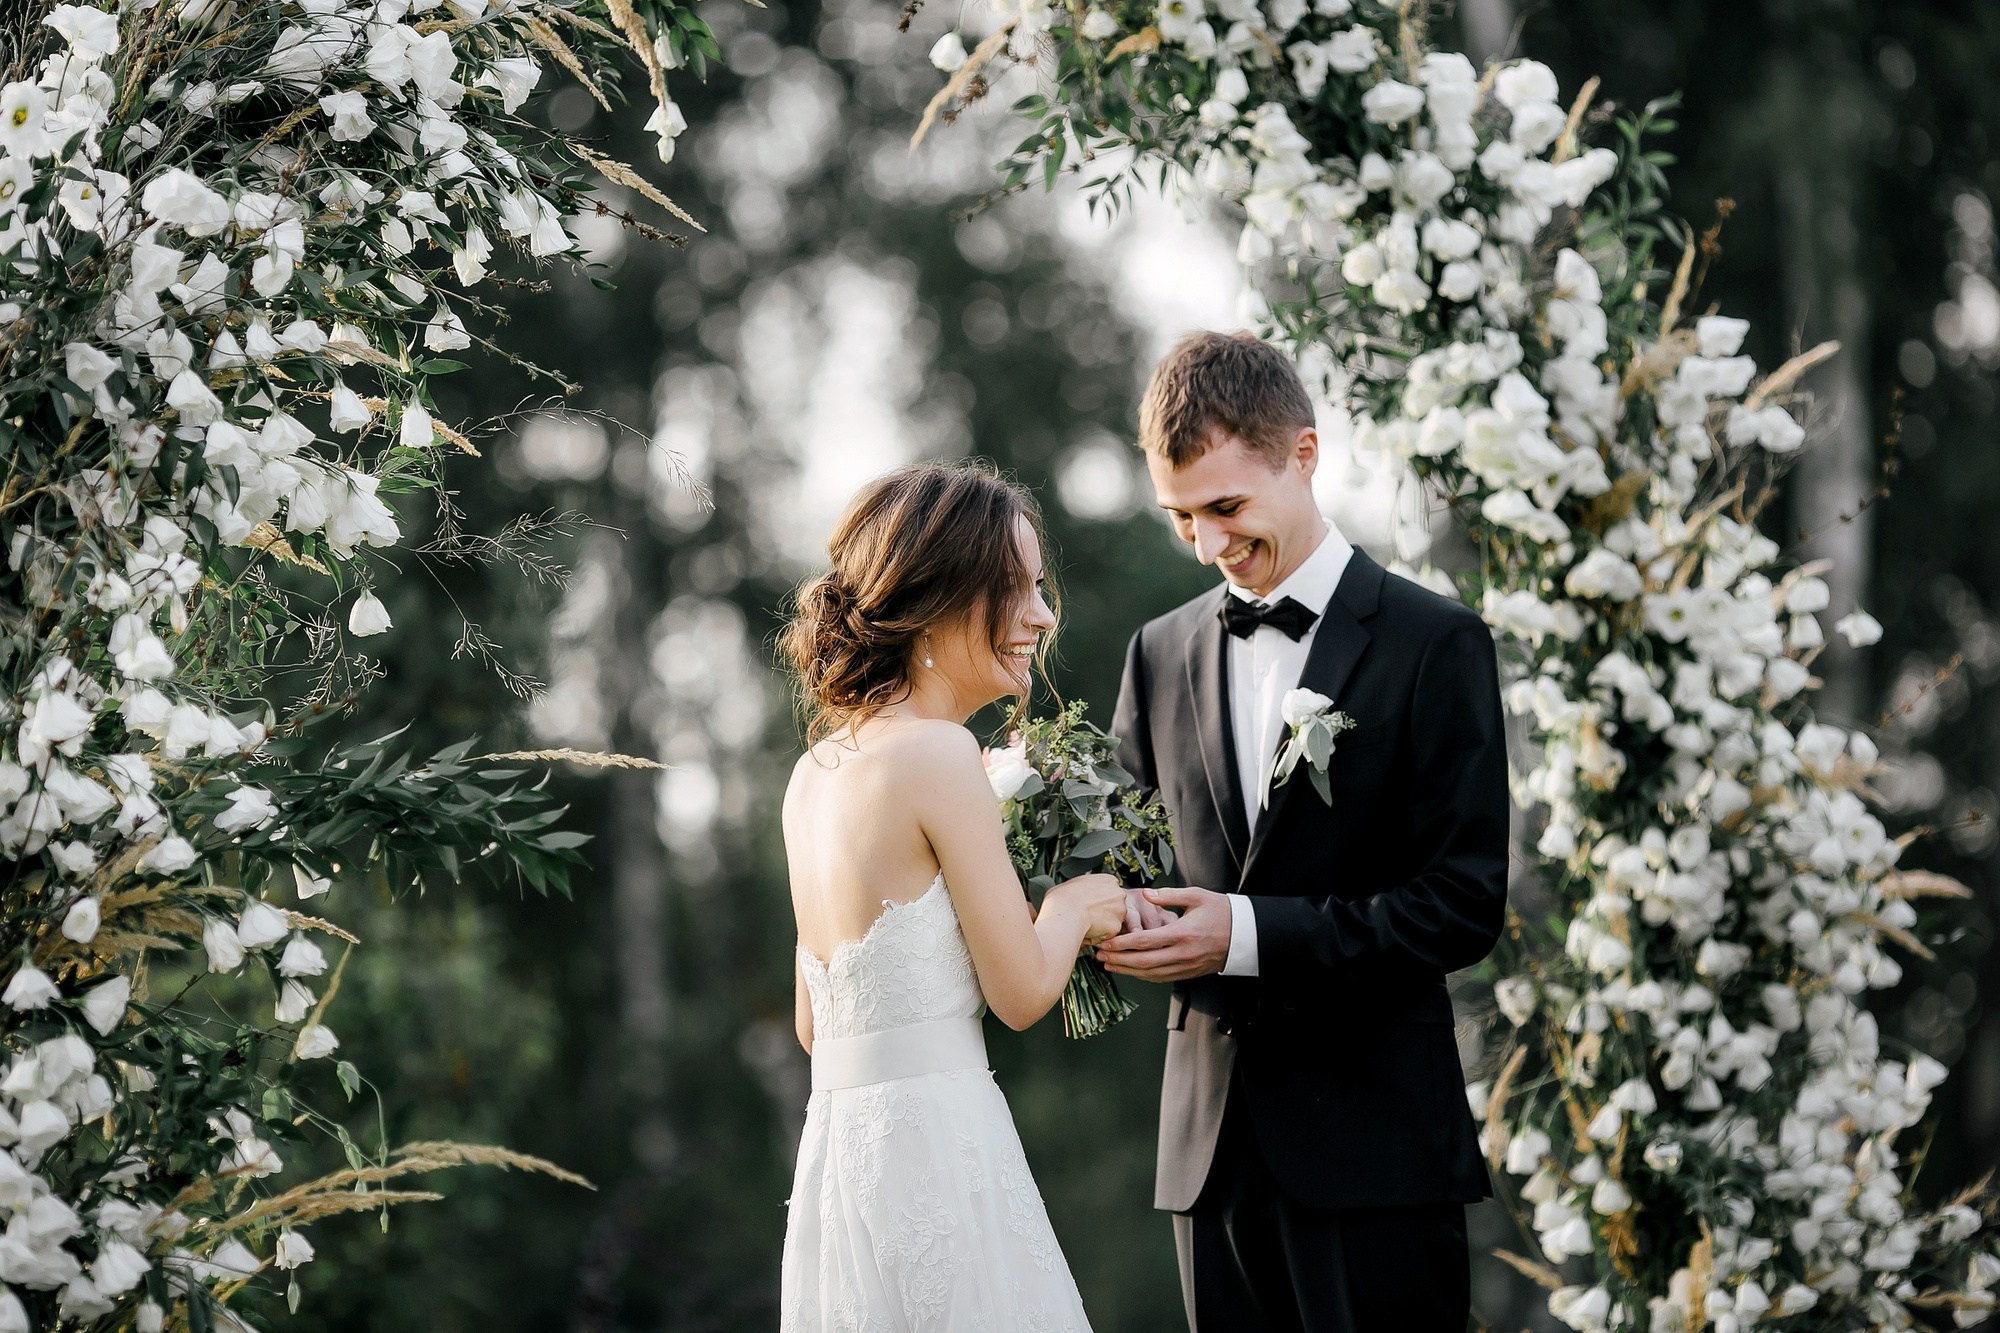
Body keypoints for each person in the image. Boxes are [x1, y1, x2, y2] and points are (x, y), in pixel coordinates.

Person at [1098, 330, 1509, 1332]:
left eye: (1225, 507)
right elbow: (1123, 867)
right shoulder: (1155, 654)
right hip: (1208, 1162)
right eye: (1179, 516)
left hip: (1377, 1156)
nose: (1204, 544)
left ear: (1304, 455)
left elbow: (1459, 905)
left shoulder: (1434, 643)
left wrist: (1244, 934)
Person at [776, 462, 1126, 1331]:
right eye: (1017, 589)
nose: (1043, 616)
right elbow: (1020, 992)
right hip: (939, 1152)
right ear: (935, 601)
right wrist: (1081, 902)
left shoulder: (811, 774)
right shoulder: (937, 756)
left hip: (840, 1169)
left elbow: (815, 1024)